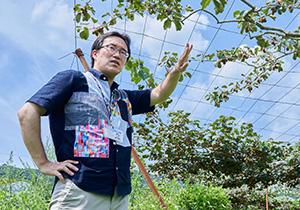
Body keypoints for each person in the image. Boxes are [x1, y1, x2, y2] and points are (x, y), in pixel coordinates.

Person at [18, 31, 192, 210]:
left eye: (123, 52)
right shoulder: (74, 80)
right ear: (95, 53)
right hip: (80, 190)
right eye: (111, 48)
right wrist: (43, 163)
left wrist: (176, 72)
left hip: (119, 197)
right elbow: (27, 112)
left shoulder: (123, 98)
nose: (117, 54)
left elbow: (158, 94)